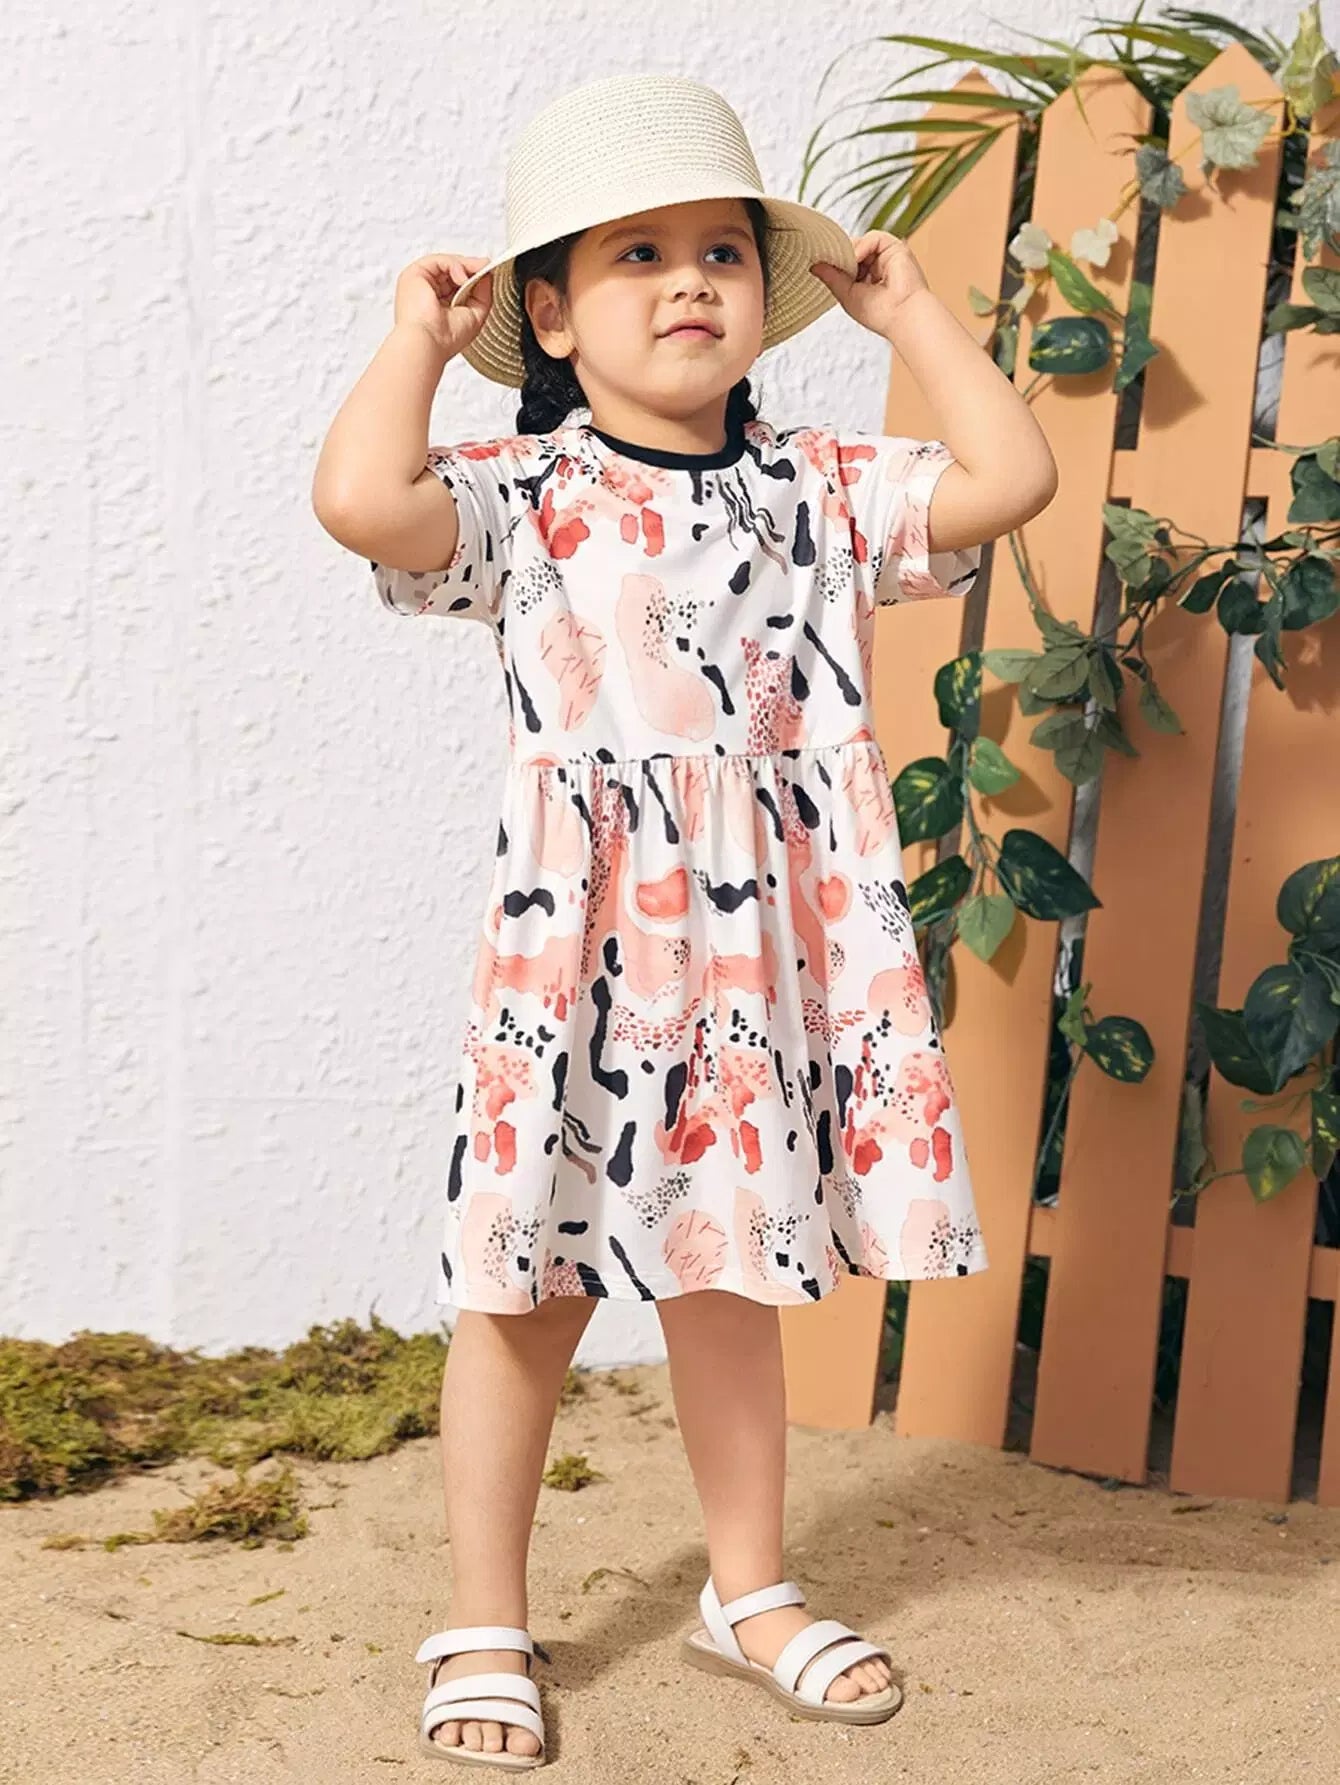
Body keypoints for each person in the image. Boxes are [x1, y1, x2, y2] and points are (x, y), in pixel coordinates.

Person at [313, 70, 1057, 1772]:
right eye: (634, 255)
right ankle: (484, 1613)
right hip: (582, 961)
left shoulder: (815, 487)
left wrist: (910, 313)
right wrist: (417, 341)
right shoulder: (527, 493)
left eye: (720, 250)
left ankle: (749, 1587)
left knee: (735, 1275)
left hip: (760, 960)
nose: (690, 282)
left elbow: (1008, 476)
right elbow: (361, 501)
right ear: (551, 315)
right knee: (524, 1290)